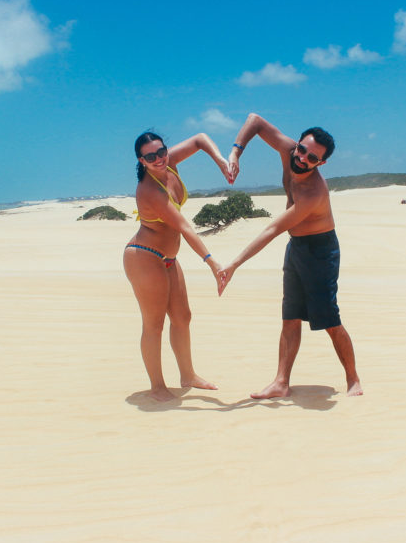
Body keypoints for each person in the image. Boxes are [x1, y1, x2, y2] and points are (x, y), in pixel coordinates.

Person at [219, 114, 362, 398]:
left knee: (329, 320)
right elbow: (255, 122)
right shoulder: (288, 151)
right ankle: (281, 382)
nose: (303, 159)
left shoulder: (313, 191)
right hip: (296, 246)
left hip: (321, 251)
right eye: (302, 150)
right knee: (290, 315)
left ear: (321, 164)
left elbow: (273, 228)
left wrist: (234, 263)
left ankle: (353, 379)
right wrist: (235, 152)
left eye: (312, 158)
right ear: (296, 145)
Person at [123, 130, 230, 402]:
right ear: (142, 161)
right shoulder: (148, 190)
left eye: (161, 152)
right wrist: (211, 262)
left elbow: (200, 139)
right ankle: (157, 386)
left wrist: (219, 160)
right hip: (144, 256)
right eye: (151, 156)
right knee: (154, 324)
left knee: (183, 317)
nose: (159, 158)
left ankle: (188, 375)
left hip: (168, 258)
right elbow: (183, 226)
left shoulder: (170, 162)